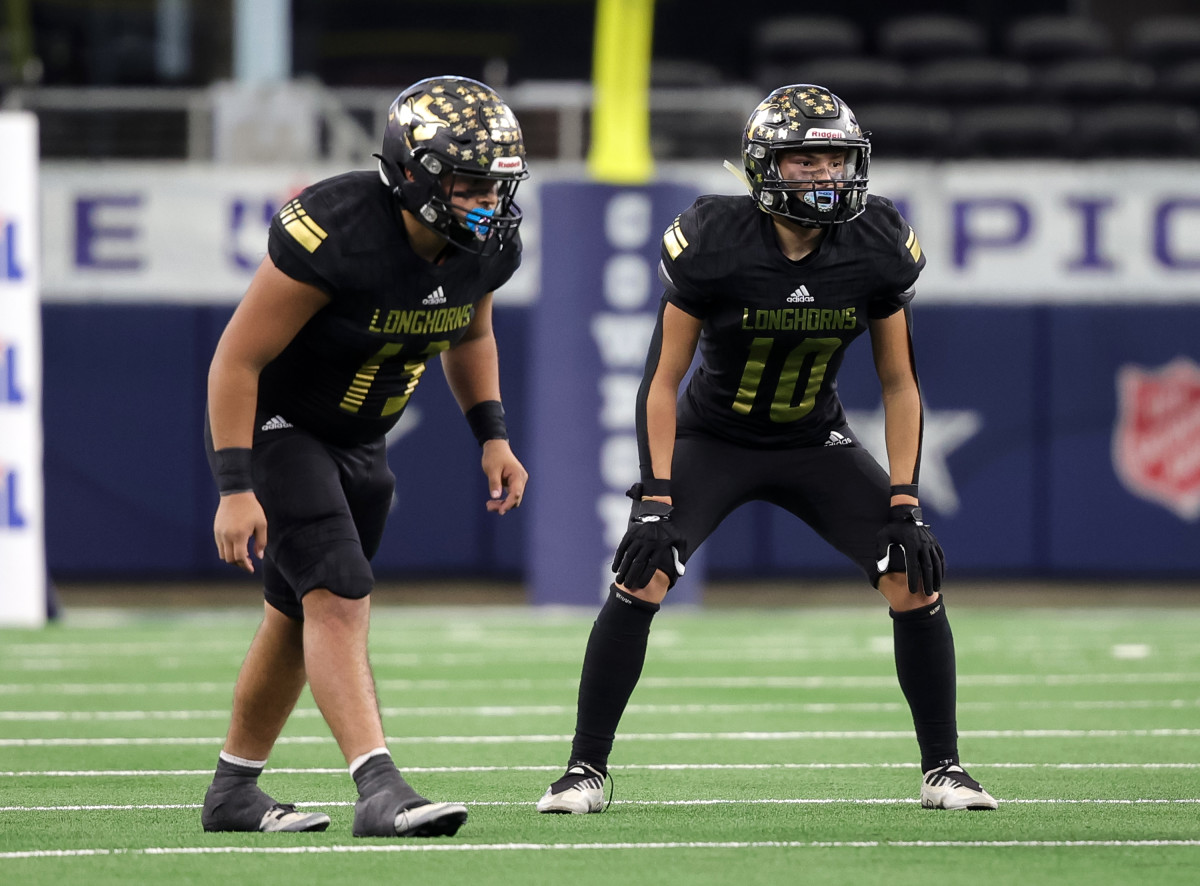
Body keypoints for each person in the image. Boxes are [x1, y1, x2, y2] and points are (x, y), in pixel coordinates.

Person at [536, 84, 997, 814]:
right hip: (715, 438)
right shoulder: (716, 239)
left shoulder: (875, 243)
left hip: (815, 438)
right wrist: (655, 497)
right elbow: (661, 381)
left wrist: (905, 500)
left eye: (834, 158)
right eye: (804, 158)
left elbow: (900, 382)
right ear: (763, 167)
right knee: (643, 574)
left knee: (914, 576)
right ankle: (583, 770)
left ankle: (944, 769)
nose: (822, 174)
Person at [200, 75, 530, 838]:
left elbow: (470, 332)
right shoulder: (338, 227)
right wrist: (234, 484)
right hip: (283, 428)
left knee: (295, 616)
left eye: (496, 183)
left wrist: (493, 434)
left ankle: (232, 791)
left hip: (362, 441)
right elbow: (236, 361)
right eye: (468, 180)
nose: (486, 199)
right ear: (411, 171)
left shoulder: (487, 242)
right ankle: (379, 787)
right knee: (341, 596)